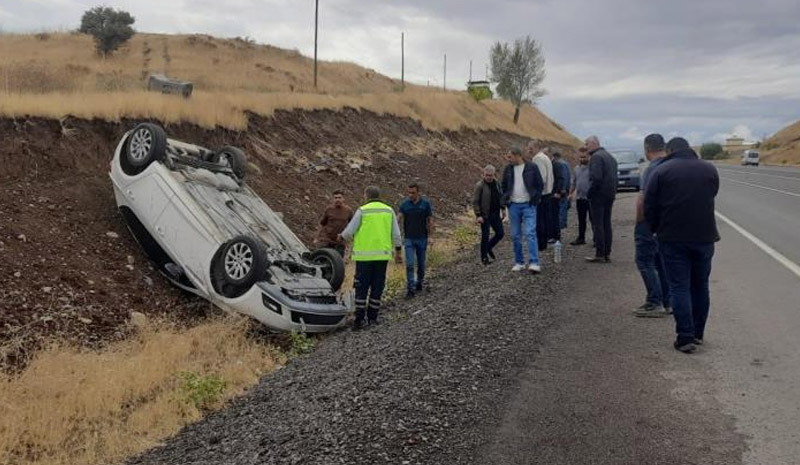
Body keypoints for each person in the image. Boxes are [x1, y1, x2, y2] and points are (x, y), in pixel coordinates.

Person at [644, 137, 719, 353]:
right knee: (700, 285)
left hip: (672, 238)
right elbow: (712, 194)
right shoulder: (709, 169)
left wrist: (655, 228)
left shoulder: (661, 171)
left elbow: (650, 205)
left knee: (679, 286)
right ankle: (697, 333)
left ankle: (684, 336)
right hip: (704, 237)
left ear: (669, 150)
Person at [339, 186, 403, 330]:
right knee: (377, 286)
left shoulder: (362, 210)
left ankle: (359, 320)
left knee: (361, 287)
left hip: (364, 258)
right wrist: (398, 252)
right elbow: (396, 235)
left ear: (366, 196)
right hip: (382, 258)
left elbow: (349, 231)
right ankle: (373, 318)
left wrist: (342, 237)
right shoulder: (389, 210)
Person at [633, 134, 671, 318]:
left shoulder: (651, 170)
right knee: (661, 262)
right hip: (666, 224)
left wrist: (639, 221)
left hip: (649, 222)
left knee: (644, 261)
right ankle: (667, 301)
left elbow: (643, 200)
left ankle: (654, 301)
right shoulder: (671, 166)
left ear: (647, 149)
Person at [501, 146, 544, 273]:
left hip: (528, 205)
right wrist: (506, 201)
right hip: (513, 205)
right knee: (515, 235)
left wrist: (535, 199)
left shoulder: (532, 167)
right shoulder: (508, 169)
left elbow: (539, 184)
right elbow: (503, 185)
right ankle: (519, 262)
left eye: (510, 156)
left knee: (530, 233)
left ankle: (534, 262)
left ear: (517, 155)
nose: (508, 159)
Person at [584, 135, 618, 263]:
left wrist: (590, 193)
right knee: (606, 223)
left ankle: (599, 254)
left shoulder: (596, 157)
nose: (585, 147)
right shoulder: (610, 157)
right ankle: (606, 253)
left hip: (599, 195)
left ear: (594, 143)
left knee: (598, 224)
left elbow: (596, 178)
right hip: (610, 194)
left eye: (587, 144)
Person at [398, 183, 434, 298]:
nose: (410, 195)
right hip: (409, 238)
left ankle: (419, 281)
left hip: (422, 238)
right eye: (409, 192)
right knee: (409, 263)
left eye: (413, 193)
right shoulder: (404, 205)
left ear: (418, 192)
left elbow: (429, 221)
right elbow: (398, 218)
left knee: (421, 264)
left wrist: (431, 236)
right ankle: (410, 288)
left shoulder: (425, 204)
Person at [472, 164, 506, 265]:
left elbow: (501, 196)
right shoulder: (480, 186)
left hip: (495, 213)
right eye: (487, 175)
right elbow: (475, 201)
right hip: (484, 215)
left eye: (491, 175)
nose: (489, 177)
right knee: (485, 236)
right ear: (483, 175)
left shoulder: (497, 184)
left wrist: (503, 209)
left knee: (500, 233)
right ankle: (484, 258)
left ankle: (489, 247)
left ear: (494, 175)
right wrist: (478, 215)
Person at [529, 142, 553, 251]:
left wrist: (536, 193)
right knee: (545, 218)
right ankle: (543, 242)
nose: (529, 151)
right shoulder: (545, 157)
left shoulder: (537, 159)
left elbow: (541, 177)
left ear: (536, 148)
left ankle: (541, 244)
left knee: (539, 220)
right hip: (547, 193)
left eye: (531, 148)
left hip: (542, 194)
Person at [314, 190, 353, 257]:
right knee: (321, 258)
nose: (337, 200)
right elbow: (322, 224)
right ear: (333, 199)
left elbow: (352, 226)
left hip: (339, 242)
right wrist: (316, 238)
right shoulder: (329, 209)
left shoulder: (348, 211)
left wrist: (349, 241)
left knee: (337, 263)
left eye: (339, 197)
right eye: (335, 198)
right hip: (326, 239)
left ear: (343, 199)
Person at [569, 148, 592, 245]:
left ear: (589, 157)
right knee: (581, 219)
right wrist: (570, 193)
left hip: (590, 198)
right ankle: (581, 238)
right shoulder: (576, 169)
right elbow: (573, 182)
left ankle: (596, 238)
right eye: (581, 157)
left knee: (593, 219)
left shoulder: (592, 168)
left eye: (584, 157)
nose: (582, 159)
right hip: (580, 198)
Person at [551, 151, 571, 235]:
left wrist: (561, 190)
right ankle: (562, 224)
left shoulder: (560, 164)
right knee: (563, 207)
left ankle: (560, 225)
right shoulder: (566, 163)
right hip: (565, 189)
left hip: (562, 191)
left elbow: (563, 177)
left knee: (561, 208)